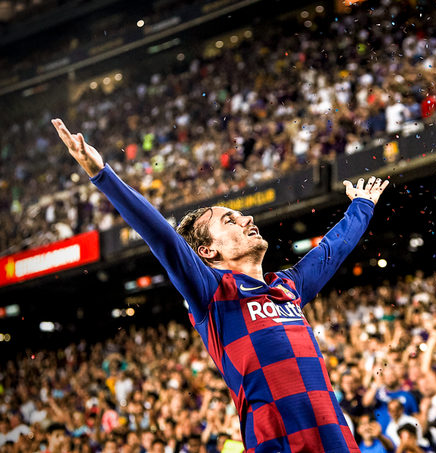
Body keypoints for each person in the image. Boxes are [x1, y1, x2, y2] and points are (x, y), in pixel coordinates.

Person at [52, 117, 390, 453]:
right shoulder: (213, 294)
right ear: (207, 251)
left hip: (337, 444)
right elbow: (163, 238)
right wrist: (101, 174)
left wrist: (362, 205)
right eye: (230, 220)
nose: (248, 219)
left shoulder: (288, 287)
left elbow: (332, 251)